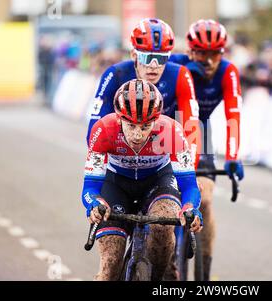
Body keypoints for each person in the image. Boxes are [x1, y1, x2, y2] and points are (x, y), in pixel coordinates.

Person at [82, 79, 202, 281]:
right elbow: (90, 186)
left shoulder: (172, 131)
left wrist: (190, 207)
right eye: (131, 125)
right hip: (116, 184)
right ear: (119, 118)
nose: (137, 134)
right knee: (109, 265)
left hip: (157, 182)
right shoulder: (103, 129)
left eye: (146, 126)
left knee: (163, 228)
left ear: (157, 119)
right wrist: (95, 203)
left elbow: (189, 185)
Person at [170, 19, 244, 281]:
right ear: (190, 50)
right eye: (202, 52)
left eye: (215, 53)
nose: (209, 60)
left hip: (200, 130)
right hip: (169, 130)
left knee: (207, 201)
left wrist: (233, 156)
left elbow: (233, 115)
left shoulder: (228, 72)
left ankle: (204, 272)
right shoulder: (176, 64)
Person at [86, 18, 201, 165]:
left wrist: (190, 168)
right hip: (124, 148)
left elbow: (191, 126)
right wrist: (101, 166)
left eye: (161, 59)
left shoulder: (181, 75)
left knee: (201, 185)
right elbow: (96, 126)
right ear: (134, 55)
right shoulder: (115, 74)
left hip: (164, 147)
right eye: (147, 57)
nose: (154, 66)